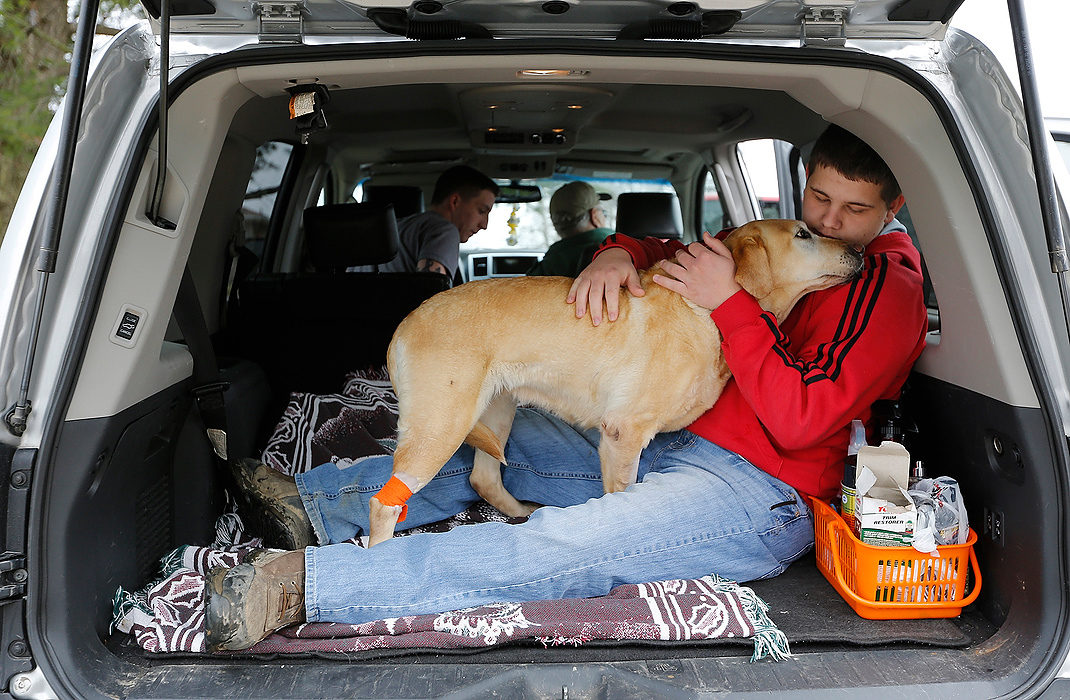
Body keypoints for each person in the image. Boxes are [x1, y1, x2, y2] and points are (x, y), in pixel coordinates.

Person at [204, 124, 929, 651]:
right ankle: (310, 504)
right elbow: (678, 254)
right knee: (487, 434)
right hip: (676, 438)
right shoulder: (779, 242)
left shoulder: (877, 286)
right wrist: (615, 254)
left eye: (853, 210)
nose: (828, 222)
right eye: (819, 198)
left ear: (893, 206)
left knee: (566, 544)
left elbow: (803, 421)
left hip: (759, 492)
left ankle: (308, 586)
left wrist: (729, 306)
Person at [371, 165, 499, 278]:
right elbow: (431, 297)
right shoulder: (445, 230)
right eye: (482, 211)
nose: (484, 225)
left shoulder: (397, 228)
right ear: (455, 201)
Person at [527, 181, 613, 277]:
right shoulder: (622, 250)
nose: (604, 217)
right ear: (594, 216)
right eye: (603, 212)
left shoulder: (547, 266)